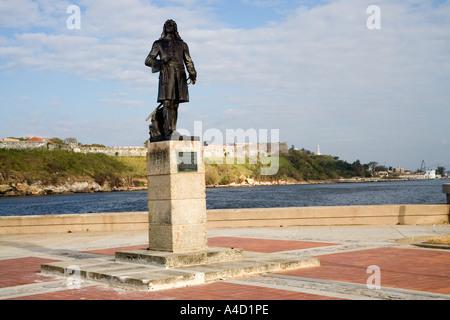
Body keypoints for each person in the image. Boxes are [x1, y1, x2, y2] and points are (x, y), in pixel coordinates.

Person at [145, 19, 197, 140]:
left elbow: (188, 61)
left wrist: (192, 72)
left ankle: (172, 129)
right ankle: (169, 130)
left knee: (175, 104)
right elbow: (148, 60)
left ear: (175, 28)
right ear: (164, 27)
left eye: (172, 25)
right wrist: (161, 61)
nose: (170, 26)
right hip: (167, 73)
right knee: (167, 102)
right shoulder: (158, 43)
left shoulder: (182, 44)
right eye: (167, 25)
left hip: (180, 74)